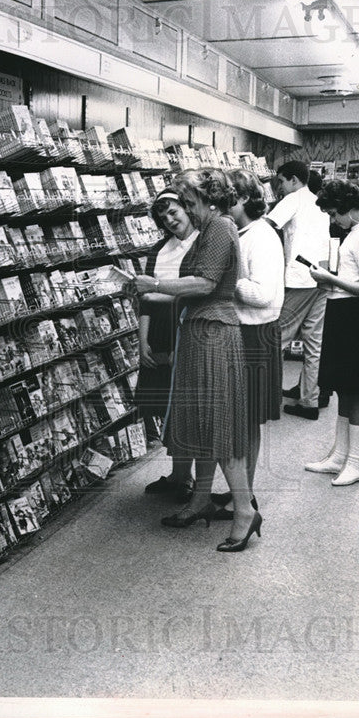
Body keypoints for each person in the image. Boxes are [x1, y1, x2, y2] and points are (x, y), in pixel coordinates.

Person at [133, 168, 261, 552]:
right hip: (200, 332)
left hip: (213, 337)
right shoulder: (211, 230)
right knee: (207, 427)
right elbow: (193, 291)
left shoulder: (220, 228)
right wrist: (145, 293)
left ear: (209, 198)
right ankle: (202, 499)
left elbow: (205, 284)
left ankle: (244, 511)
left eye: (189, 202)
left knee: (220, 429)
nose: (186, 210)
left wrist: (154, 284)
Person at [208, 168, 284, 519]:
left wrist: (230, 277)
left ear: (238, 198)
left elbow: (264, 294)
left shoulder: (261, 237)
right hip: (245, 333)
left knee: (247, 419)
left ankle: (247, 496)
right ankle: (244, 492)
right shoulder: (244, 232)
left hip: (256, 335)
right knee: (243, 419)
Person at [304, 180, 359, 486]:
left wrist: (329, 278)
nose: (333, 220)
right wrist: (331, 280)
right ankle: (340, 457)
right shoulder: (354, 233)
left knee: (355, 390)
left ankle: (356, 463)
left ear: (349, 207)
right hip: (341, 310)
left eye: (335, 213)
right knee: (341, 388)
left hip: (353, 315)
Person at [135, 188, 199, 502]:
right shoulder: (159, 249)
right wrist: (142, 341)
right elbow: (145, 301)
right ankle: (178, 473)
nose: (171, 220)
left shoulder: (202, 245)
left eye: (174, 212)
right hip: (159, 331)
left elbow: (196, 292)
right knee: (165, 404)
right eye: (164, 217)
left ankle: (186, 478)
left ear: (188, 208)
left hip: (185, 328)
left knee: (184, 406)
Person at [265, 160, 330, 420]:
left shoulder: (294, 199)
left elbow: (266, 227)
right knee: (314, 345)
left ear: (293, 180)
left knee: (274, 340)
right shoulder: (318, 203)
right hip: (322, 279)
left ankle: (268, 401)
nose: (279, 188)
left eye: (280, 181)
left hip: (299, 279)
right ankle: (309, 402)